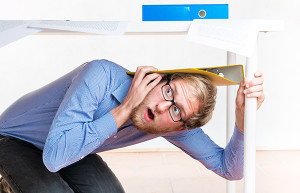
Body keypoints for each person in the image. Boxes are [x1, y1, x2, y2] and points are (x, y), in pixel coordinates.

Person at [0, 59, 264, 193]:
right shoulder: (101, 75)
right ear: (158, 80)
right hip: (13, 138)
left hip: (72, 145)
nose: (163, 106)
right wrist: (125, 108)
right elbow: (54, 157)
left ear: (178, 127)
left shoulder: (170, 124)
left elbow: (229, 169)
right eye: (169, 92)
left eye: (176, 110)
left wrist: (243, 120)